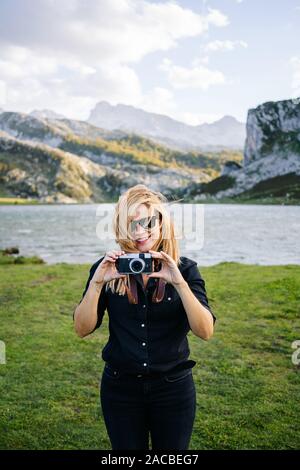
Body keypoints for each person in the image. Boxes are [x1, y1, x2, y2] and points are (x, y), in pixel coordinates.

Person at [73, 184, 216, 450]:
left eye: (148, 222)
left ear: (162, 222)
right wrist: (96, 283)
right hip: (120, 389)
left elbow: (205, 331)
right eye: (131, 224)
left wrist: (179, 283)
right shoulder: (107, 268)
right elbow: (81, 329)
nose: (139, 232)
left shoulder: (185, 269)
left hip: (173, 389)